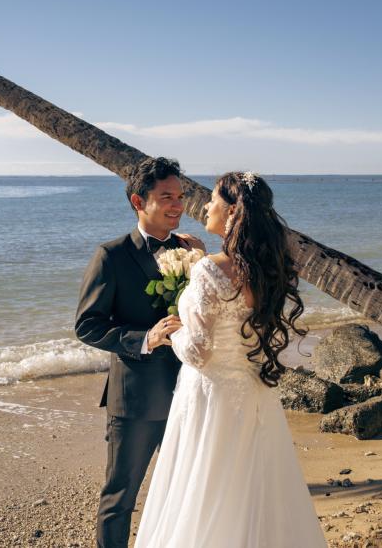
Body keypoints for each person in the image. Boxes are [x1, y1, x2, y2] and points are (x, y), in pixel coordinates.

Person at [135, 171, 327, 547]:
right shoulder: (266, 269)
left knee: (205, 489)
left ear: (233, 211)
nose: (205, 205)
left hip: (210, 396)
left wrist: (171, 333)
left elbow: (198, 352)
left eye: (213, 200)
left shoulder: (208, 270)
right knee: (255, 487)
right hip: (253, 389)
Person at [75, 157, 205, 548]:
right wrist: (145, 338)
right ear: (138, 201)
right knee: (120, 497)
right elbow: (88, 326)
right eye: (167, 197)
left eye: (180, 196)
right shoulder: (111, 255)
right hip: (135, 400)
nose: (178, 205)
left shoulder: (191, 251)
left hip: (188, 393)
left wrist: (202, 261)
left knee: (186, 494)